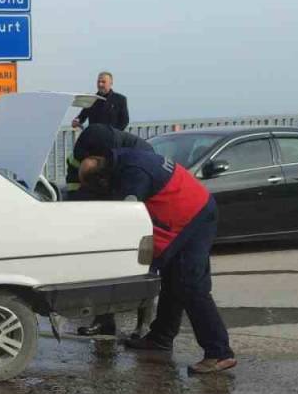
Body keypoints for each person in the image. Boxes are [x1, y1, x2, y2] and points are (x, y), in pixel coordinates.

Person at [79, 149, 237, 374]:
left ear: (102, 177)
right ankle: (160, 338)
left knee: (191, 286)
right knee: (173, 280)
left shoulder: (134, 175)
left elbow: (127, 217)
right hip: (191, 211)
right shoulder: (123, 159)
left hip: (194, 217)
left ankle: (219, 352)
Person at [65, 124, 155, 337]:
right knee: (102, 268)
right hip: (105, 212)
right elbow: (73, 186)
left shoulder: (139, 155)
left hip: (136, 213)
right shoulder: (81, 154)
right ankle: (104, 321)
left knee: (143, 269)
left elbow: (137, 196)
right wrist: (78, 208)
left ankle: (144, 326)